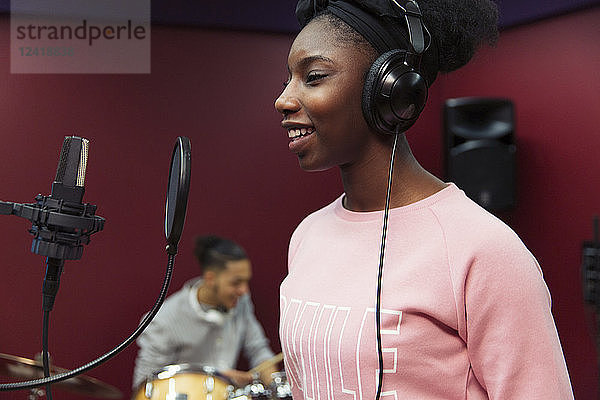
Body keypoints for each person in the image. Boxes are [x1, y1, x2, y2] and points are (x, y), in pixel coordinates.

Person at [275, 0, 574, 399]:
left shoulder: (484, 250)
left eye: (313, 77)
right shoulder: (306, 236)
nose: (283, 99)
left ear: (389, 91)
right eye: (287, 80)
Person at [132, 235, 277, 390]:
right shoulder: (163, 320)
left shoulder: (241, 300)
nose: (244, 290)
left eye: (246, 281)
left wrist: (275, 385)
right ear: (210, 278)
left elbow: (258, 350)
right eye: (236, 283)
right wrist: (217, 379)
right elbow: (144, 388)